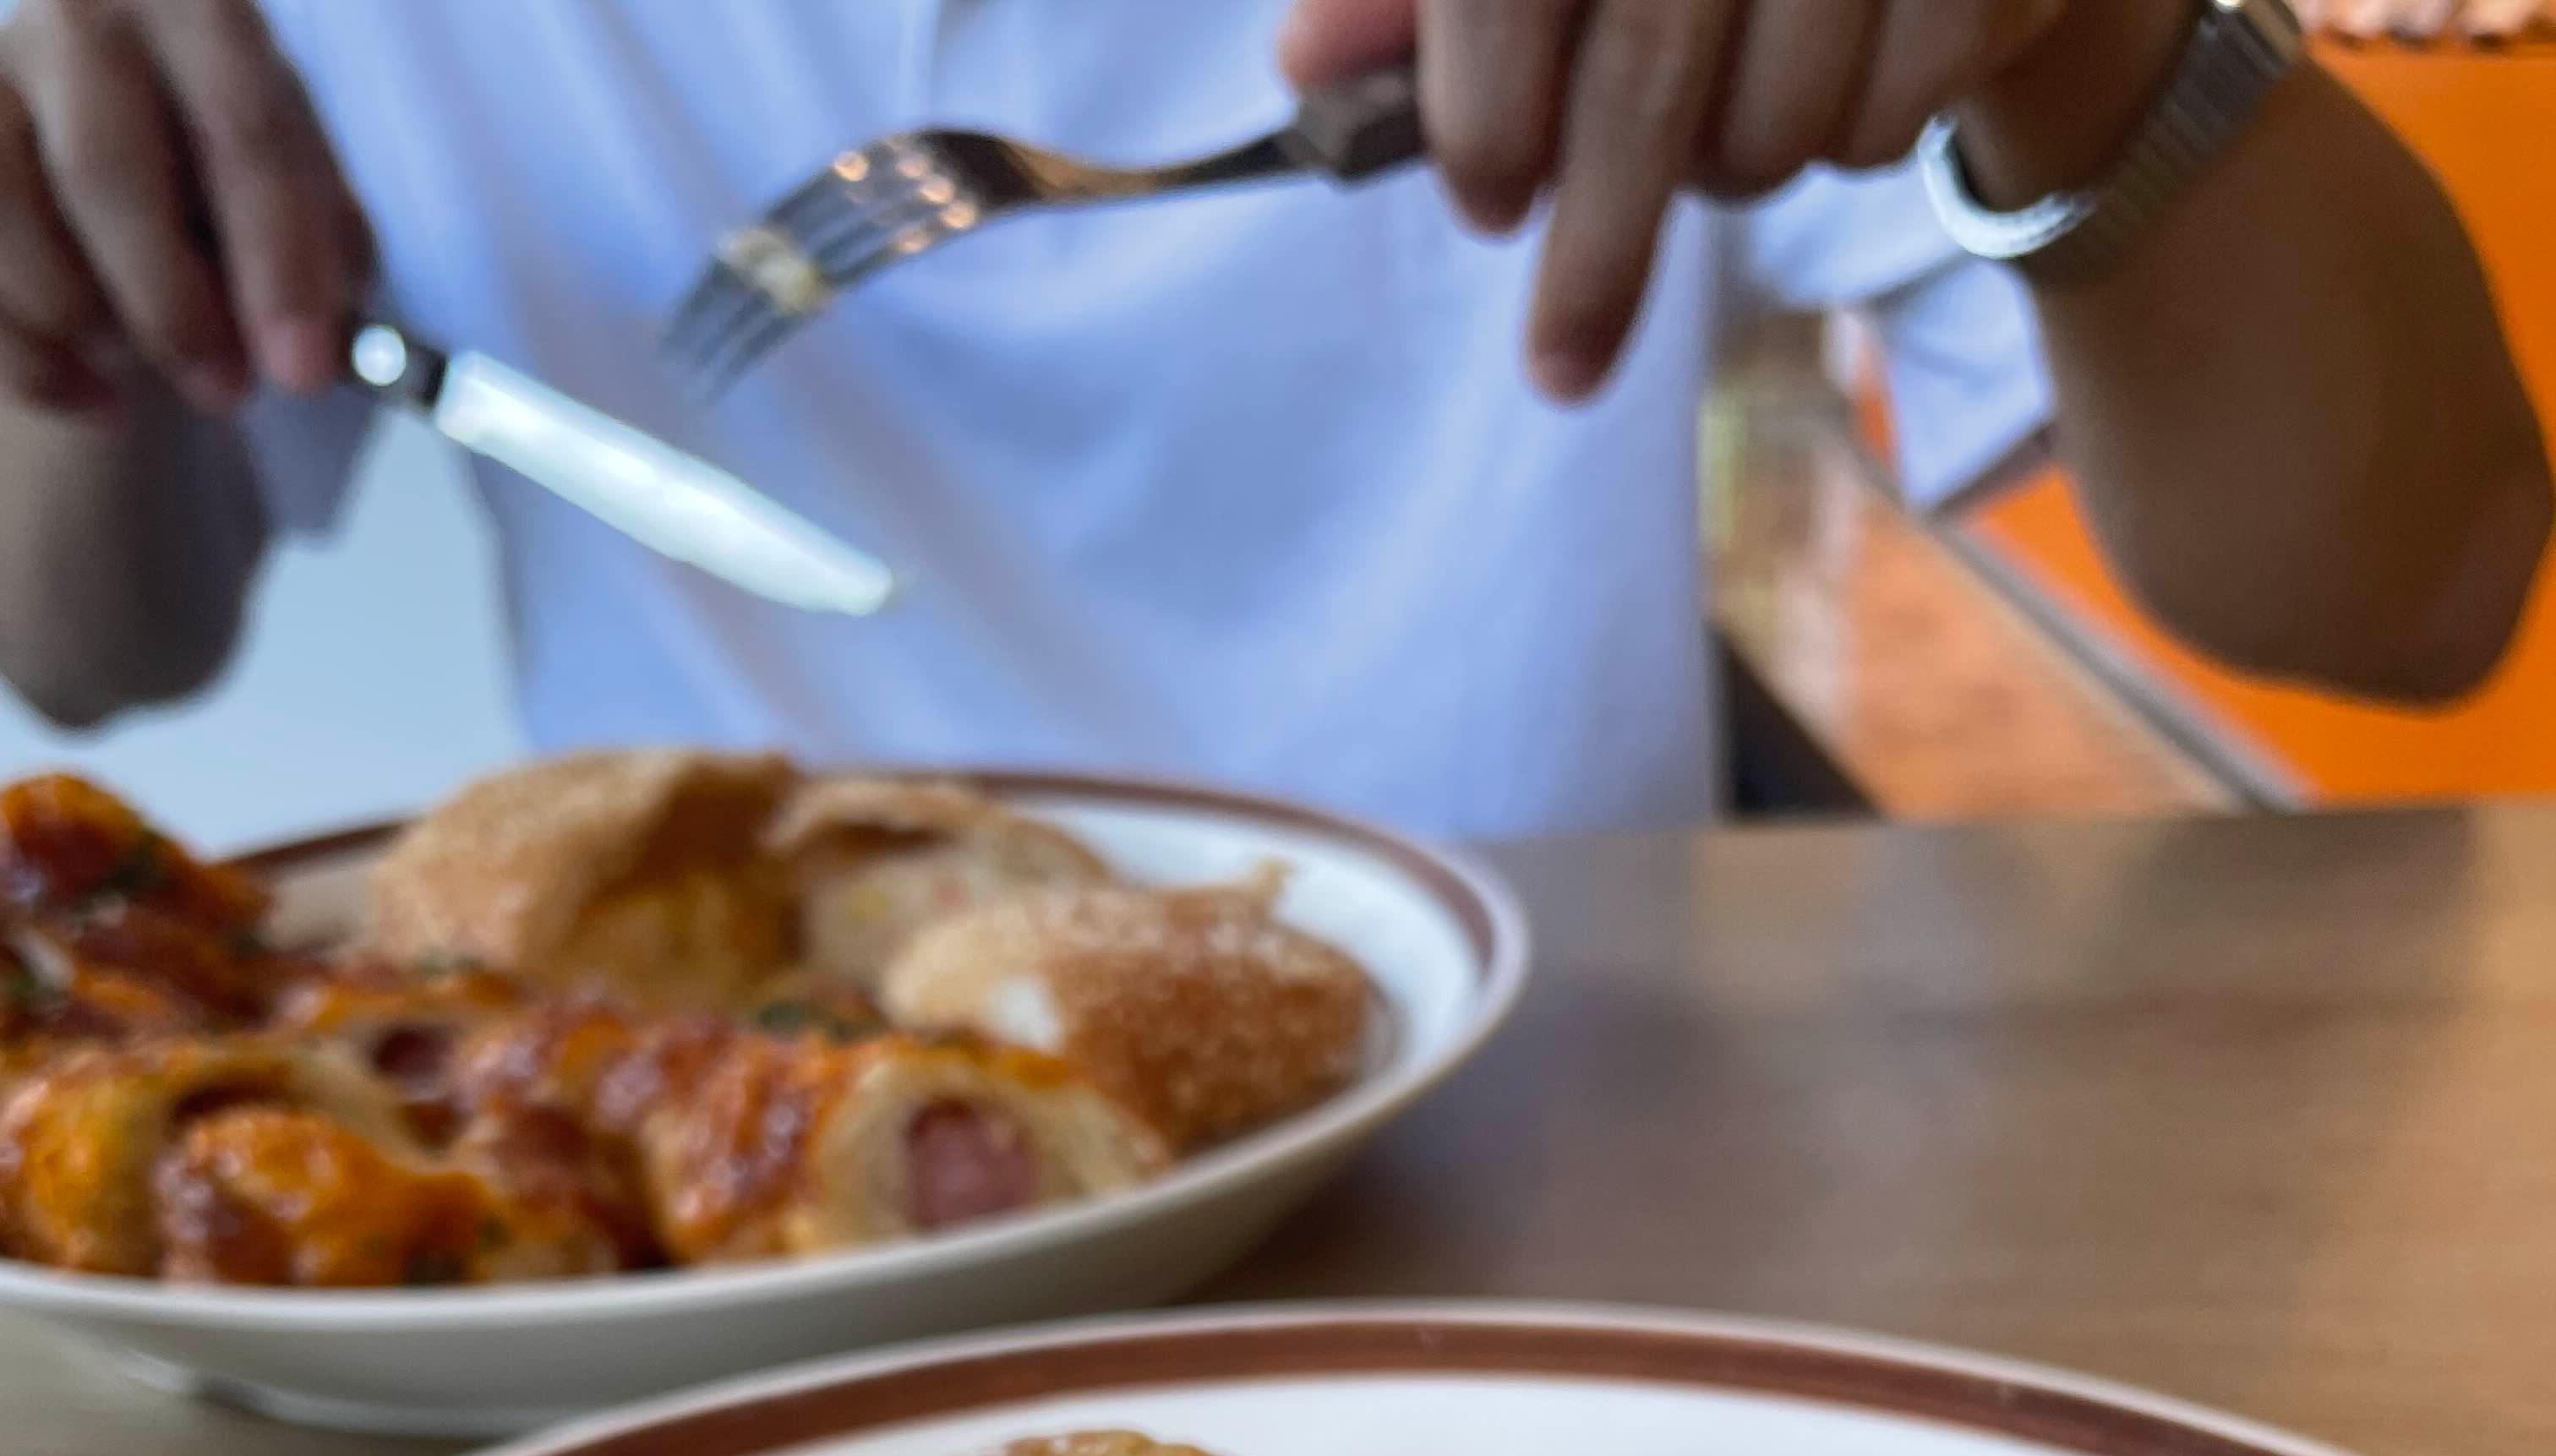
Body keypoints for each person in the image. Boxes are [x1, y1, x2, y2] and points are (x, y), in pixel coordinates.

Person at [0, 0, 2544, 837]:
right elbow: (90, 648)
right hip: (694, 1174)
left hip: (1571, 1155)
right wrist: (61, 283)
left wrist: (2098, 46)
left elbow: (2411, 604)